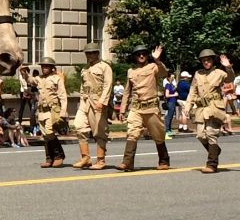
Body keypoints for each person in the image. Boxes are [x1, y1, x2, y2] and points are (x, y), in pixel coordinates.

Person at [117, 44, 170, 171]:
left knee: (158, 135)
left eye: (144, 54)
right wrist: (122, 109)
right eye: (138, 54)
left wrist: (157, 59)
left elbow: (164, 73)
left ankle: (164, 161)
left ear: (147, 56)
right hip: (136, 108)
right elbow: (126, 91)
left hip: (151, 107)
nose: (141, 56)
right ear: (135, 57)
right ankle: (127, 162)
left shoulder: (153, 67)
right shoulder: (131, 71)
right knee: (132, 132)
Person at [184, 50, 235, 173]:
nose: (206, 62)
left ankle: (212, 164)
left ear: (213, 60)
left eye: (209, 60)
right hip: (202, 108)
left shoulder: (219, 73)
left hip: (214, 107)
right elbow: (193, 91)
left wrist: (228, 67)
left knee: (211, 134)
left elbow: (230, 78)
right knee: (201, 135)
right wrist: (187, 106)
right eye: (204, 60)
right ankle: (215, 151)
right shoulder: (198, 74)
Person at [73, 42, 113, 170]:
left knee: (99, 131)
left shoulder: (105, 67)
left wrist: (102, 101)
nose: (89, 55)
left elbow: (108, 85)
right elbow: (83, 86)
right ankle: (85, 157)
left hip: (98, 101)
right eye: (87, 53)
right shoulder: (85, 69)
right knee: (79, 126)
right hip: (85, 101)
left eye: (92, 53)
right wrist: (81, 100)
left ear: (97, 53)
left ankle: (101, 160)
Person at [30, 57, 68, 168]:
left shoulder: (57, 78)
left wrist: (63, 111)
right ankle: (49, 158)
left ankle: (58, 156)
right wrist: (25, 73)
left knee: (50, 132)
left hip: (53, 110)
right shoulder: (39, 78)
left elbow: (63, 96)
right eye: (43, 66)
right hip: (42, 110)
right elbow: (31, 81)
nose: (44, 68)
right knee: (45, 136)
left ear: (52, 67)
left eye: (46, 66)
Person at [163, 73, 178, 139]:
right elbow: (167, 95)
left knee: (171, 116)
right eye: (172, 77)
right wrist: (174, 95)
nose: (173, 79)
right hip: (170, 102)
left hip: (173, 102)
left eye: (173, 78)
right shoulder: (168, 85)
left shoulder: (171, 85)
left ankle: (169, 129)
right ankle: (167, 130)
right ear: (168, 78)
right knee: (169, 116)